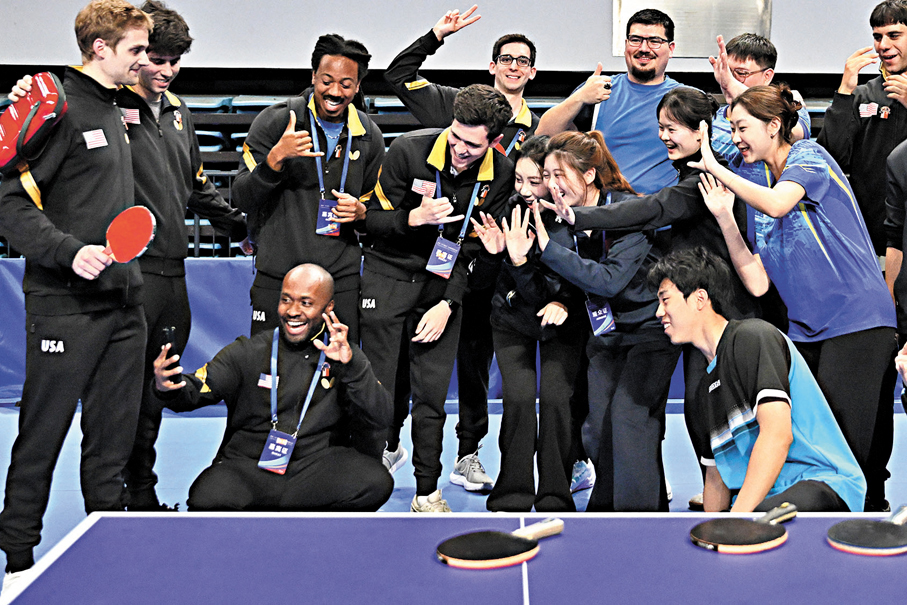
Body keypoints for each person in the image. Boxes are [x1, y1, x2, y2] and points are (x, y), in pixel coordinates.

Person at [544, 88, 759, 509]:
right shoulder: (688, 174)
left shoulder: (706, 179)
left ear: (701, 131)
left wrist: (578, 216)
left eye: (671, 128)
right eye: (660, 127)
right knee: (694, 412)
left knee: (714, 414)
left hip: (726, 315)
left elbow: (651, 210)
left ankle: (736, 505)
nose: (663, 136)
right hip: (696, 313)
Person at [0, 0, 152, 592]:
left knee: (112, 443)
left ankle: (105, 547)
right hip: (64, 306)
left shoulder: (121, 107)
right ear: (100, 48)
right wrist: (68, 251)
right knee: (41, 437)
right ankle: (17, 559)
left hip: (124, 305)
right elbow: (8, 203)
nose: (144, 60)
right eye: (136, 50)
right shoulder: (55, 107)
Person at [694, 83, 897, 511]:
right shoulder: (759, 187)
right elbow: (757, 282)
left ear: (773, 126)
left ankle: (857, 534)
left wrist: (716, 167)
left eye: (742, 127)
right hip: (805, 333)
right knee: (812, 447)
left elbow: (777, 204)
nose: (736, 138)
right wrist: (725, 218)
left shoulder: (809, 158)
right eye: (731, 129)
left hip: (856, 321)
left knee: (843, 453)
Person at [384, 5, 542, 485]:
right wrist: (436, 35)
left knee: (474, 363)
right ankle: (390, 442)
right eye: (505, 58)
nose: (513, 66)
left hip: (479, 266)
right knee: (405, 361)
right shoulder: (455, 106)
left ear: (533, 72)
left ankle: (468, 451)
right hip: (420, 264)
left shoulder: (532, 133)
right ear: (492, 65)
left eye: (522, 60)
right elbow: (398, 75)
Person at [360, 84, 513, 512]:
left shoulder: (501, 174)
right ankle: (370, 471)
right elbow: (370, 222)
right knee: (378, 387)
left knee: (430, 396)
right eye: (457, 137)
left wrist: (448, 303)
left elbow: (472, 249)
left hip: (442, 286)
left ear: (493, 141)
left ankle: (427, 491)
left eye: (473, 145)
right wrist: (413, 218)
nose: (461, 150)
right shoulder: (407, 151)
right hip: (388, 276)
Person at [151, 264, 394, 512]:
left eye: (306, 303)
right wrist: (168, 385)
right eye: (286, 300)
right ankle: (296, 514)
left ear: (328, 307)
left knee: (376, 483)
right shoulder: (248, 351)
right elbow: (198, 389)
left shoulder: (345, 356)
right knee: (206, 497)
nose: (292, 311)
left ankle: (287, 515)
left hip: (313, 470)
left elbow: (381, 415)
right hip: (250, 466)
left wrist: (352, 368)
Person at [649, 247, 866, 513]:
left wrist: (736, 521)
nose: (659, 312)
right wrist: (714, 529)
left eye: (665, 300)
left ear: (699, 298)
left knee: (757, 518)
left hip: (823, 483)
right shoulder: (703, 391)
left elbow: (777, 435)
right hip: (764, 499)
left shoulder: (753, 338)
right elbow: (716, 481)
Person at [533, 131, 677, 511]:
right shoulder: (556, 222)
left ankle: (634, 519)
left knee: (630, 424)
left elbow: (608, 281)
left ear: (590, 175)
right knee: (597, 432)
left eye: (561, 174)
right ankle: (630, 506)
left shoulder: (629, 212)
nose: (553, 185)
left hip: (649, 332)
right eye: (547, 176)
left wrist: (547, 249)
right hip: (605, 334)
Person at [233, 33, 385, 346]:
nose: (335, 92)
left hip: (340, 281)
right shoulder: (277, 121)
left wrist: (361, 213)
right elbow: (241, 197)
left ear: (358, 86)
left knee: (340, 366)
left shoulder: (369, 134)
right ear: (313, 76)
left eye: (346, 84)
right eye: (327, 80)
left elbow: (377, 215)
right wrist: (275, 159)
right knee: (267, 367)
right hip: (277, 275)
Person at [468, 136, 586, 511]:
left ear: (553, 179)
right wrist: (495, 256)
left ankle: (555, 493)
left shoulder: (573, 218)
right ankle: (513, 492)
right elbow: (483, 285)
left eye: (534, 181)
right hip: (512, 320)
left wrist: (561, 300)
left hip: (563, 321)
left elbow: (577, 281)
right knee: (518, 400)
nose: (524, 190)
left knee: (556, 400)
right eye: (519, 180)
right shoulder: (507, 210)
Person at [537, 8, 682, 194]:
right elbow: (543, 135)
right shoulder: (599, 90)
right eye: (636, 40)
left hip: (660, 209)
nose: (644, 49)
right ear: (626, 45)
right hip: (602, 208)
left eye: (654, 41)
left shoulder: (683, 98)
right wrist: (579, 97)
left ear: (671, 49)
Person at [818, 0, 907, 260]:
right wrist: (844, 91)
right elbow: (830, 158)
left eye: (894, 35)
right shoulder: (862, 95)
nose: (883, 45)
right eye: (878, 37)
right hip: (866, 238)